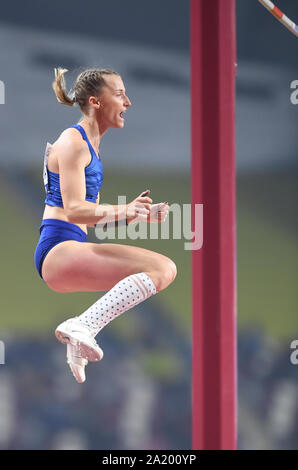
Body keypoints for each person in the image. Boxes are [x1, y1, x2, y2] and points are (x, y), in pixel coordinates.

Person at [34, 67, 177, 383]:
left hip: (67, 250)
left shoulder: (89, 145)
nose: (128, 102)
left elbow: (86, 217)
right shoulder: (74, 141)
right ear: (96, 102)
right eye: (120, 93)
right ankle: (82, 325)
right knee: (163, 268)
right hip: (58, 250)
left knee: (157, 271)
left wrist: (132, 216)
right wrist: (125, 207)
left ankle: (81, 331)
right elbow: (74, 210)